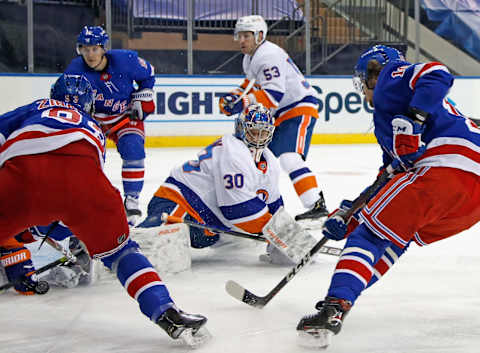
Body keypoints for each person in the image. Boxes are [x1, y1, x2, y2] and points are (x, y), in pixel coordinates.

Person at [0, 74, 209, 346]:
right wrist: (77, 232)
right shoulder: (94, 126)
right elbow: (69, 188)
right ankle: (165, 311)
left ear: (53, 96)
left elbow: (37, 187)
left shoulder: (35, 108)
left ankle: (16, 253)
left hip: (21, 178)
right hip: (86, 186)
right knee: (122, 254)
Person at [296, 44, 480, 349]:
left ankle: (335, 306)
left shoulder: (390, 79)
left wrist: (415, 119)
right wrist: (350, 212)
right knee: (395, 234)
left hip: (445, 168)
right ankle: (344, 299)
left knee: (369, 237)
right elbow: (388, 180)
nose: (362, 89)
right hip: (470, 200)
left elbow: (438, 73)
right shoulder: (388, 125)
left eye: (362, 79)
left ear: (373, 72)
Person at [139, 104, 291, 265]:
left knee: (244, 242)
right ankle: (123, 247)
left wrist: (287, 233)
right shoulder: (233, 153)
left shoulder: (269, 160)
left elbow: (274, 204)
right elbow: (238, 210)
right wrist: (276, 232)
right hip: (179, 203)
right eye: (254, 131)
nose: (259, 137)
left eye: (264, 132)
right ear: (241, 129)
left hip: (211, 225)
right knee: (154, 248)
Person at [218, 15, 329, 224]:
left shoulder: (268, 54)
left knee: (289, 157)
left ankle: (316, 205)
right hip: (282, 113)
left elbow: (273, 96)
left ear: (260, 35)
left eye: (246, 36)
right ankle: (253, 205)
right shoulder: (251, 57)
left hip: (299, 107)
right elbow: (250, 85)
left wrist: (241, 103)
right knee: (261, 159)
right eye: (239, 35)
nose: (241, 40)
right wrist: (234, 96)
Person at [65, 26, 155, 225]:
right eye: (85, 49)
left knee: (134, 150)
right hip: (93, 121)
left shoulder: (126, 60)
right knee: (85, 160)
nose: (90, 54)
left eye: (94, 49)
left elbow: (149, 75)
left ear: (103, 48)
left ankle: (132, 201)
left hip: (124, 117)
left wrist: (143, 96)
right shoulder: (74, 70)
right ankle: (89, 200)